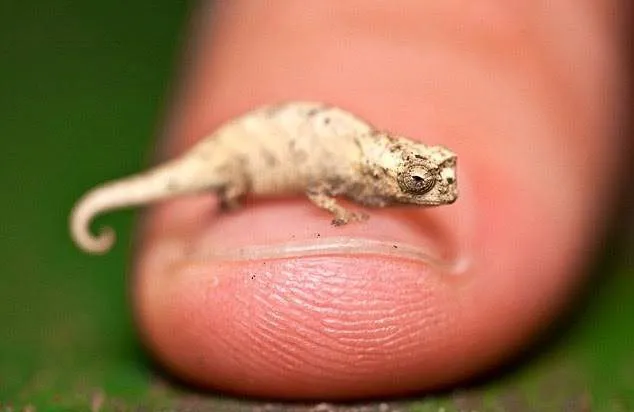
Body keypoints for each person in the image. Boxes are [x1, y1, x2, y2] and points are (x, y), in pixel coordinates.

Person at [132, 1, 627, 399]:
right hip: (249, 154)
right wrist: (333, 213)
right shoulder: (356, 169)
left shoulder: (370, 163)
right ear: (390, 179)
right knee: (229, 173)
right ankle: (232, 193)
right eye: (419, 183)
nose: (440, 191)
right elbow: (318, 181)